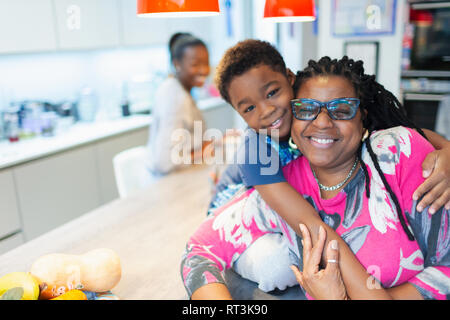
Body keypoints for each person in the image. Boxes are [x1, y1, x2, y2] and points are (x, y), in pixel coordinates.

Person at [180, 52, 450, 299]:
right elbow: (199, 250)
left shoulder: (397, 151)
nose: (322, 122)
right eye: (307, 109)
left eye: (342, 109)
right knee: (272, 266)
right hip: (236, 191)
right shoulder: (268, 169)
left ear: (363, 118)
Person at [146, 32, 210, 178]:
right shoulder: (174, 98)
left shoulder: (181, 90)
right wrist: (205, 152)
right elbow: (165, 162)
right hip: (169, 184)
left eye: (206, 63)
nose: (203, 70)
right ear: (177, 64)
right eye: (195, 64)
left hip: (183, 177)